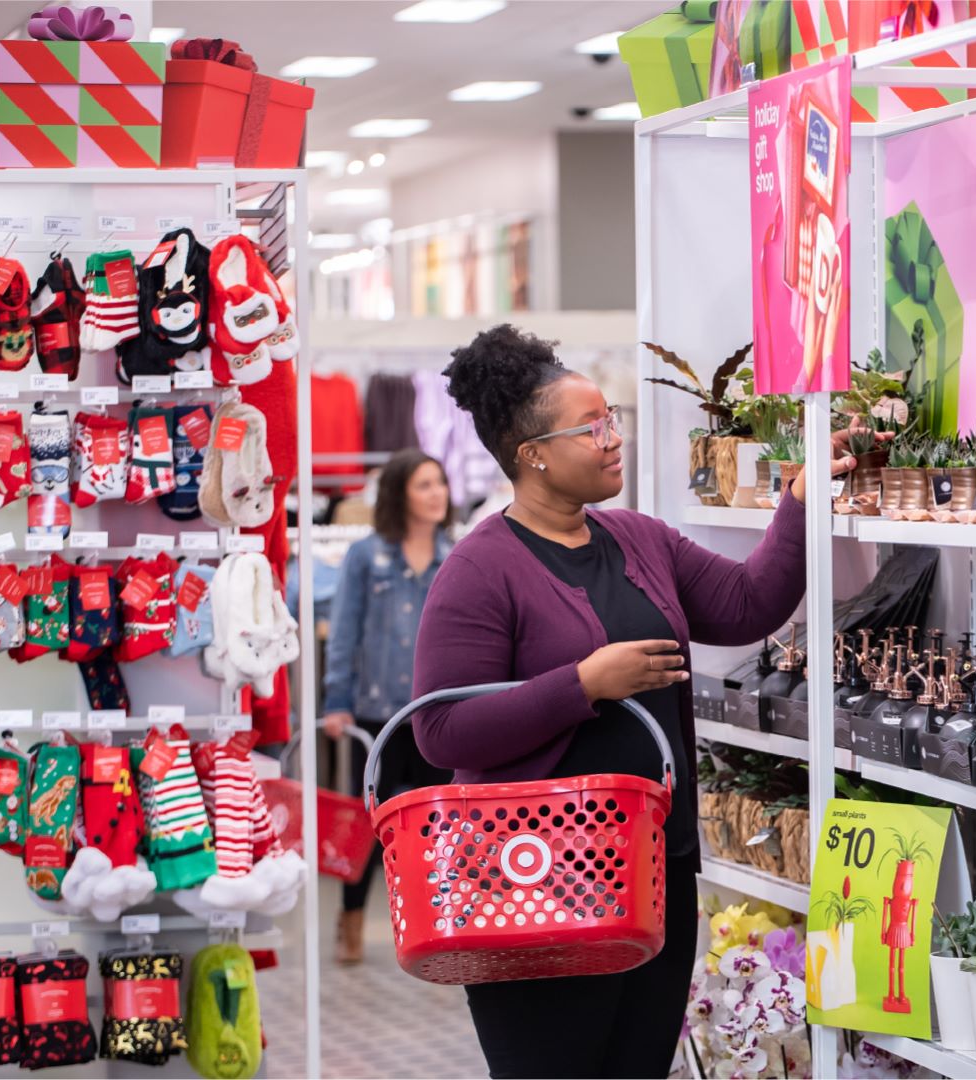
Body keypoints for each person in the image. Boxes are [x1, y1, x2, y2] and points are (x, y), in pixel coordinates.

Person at [412, 324, 865, 1078]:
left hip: (651, 871)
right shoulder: (479, 571)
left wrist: (798, 499)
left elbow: (748, 604)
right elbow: (441, 730)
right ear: (532, 455)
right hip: (535, 885)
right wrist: (583, 685)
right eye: (591, 428)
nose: (612, 438)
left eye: (611, 418)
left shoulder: (639, 540)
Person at [321, 448, 456, 965]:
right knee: (369, 824)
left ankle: (443, 924)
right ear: (401, 493)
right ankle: (350, 923)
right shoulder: (365, 556)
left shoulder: (455, 556)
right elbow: (344, 632)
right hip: (376, 715)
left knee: (442, 823)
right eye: (425, 485)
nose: (437, 494)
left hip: (436, 714)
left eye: (440, 484)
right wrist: (337, 699)